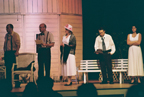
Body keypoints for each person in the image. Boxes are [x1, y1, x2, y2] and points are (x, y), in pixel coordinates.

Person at [3, 24, 21, 89]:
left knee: (14, 68)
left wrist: (17, 51)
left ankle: (17, 83)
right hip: (7, 53)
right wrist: (4, 51)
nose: (7, 29)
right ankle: (8, 83)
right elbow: (5, 44)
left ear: (11, 28)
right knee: (7, 68)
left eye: (8, 28)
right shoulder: (6, 35)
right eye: (6, 28)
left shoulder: (15, 35)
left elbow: (18, 44)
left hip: (13, 53)